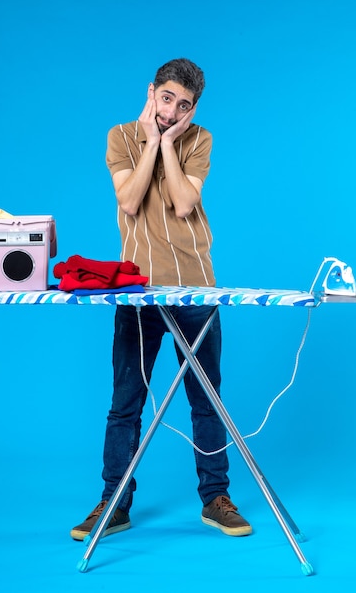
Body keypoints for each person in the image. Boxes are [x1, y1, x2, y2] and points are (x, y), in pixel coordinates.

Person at [70, 58, 252, 540]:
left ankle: (216, 498)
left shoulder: (200, 141)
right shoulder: (120, 137)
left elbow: (183, 202)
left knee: (206, 398)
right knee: (126, 401)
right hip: (137, 289)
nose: (171, 111)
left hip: (195, 285)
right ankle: (114, 502)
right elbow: (129, 201)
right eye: (166, 99)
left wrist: (169, 143)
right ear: (152, 91)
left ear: (194, 109)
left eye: (183, 105)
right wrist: (151, 139)